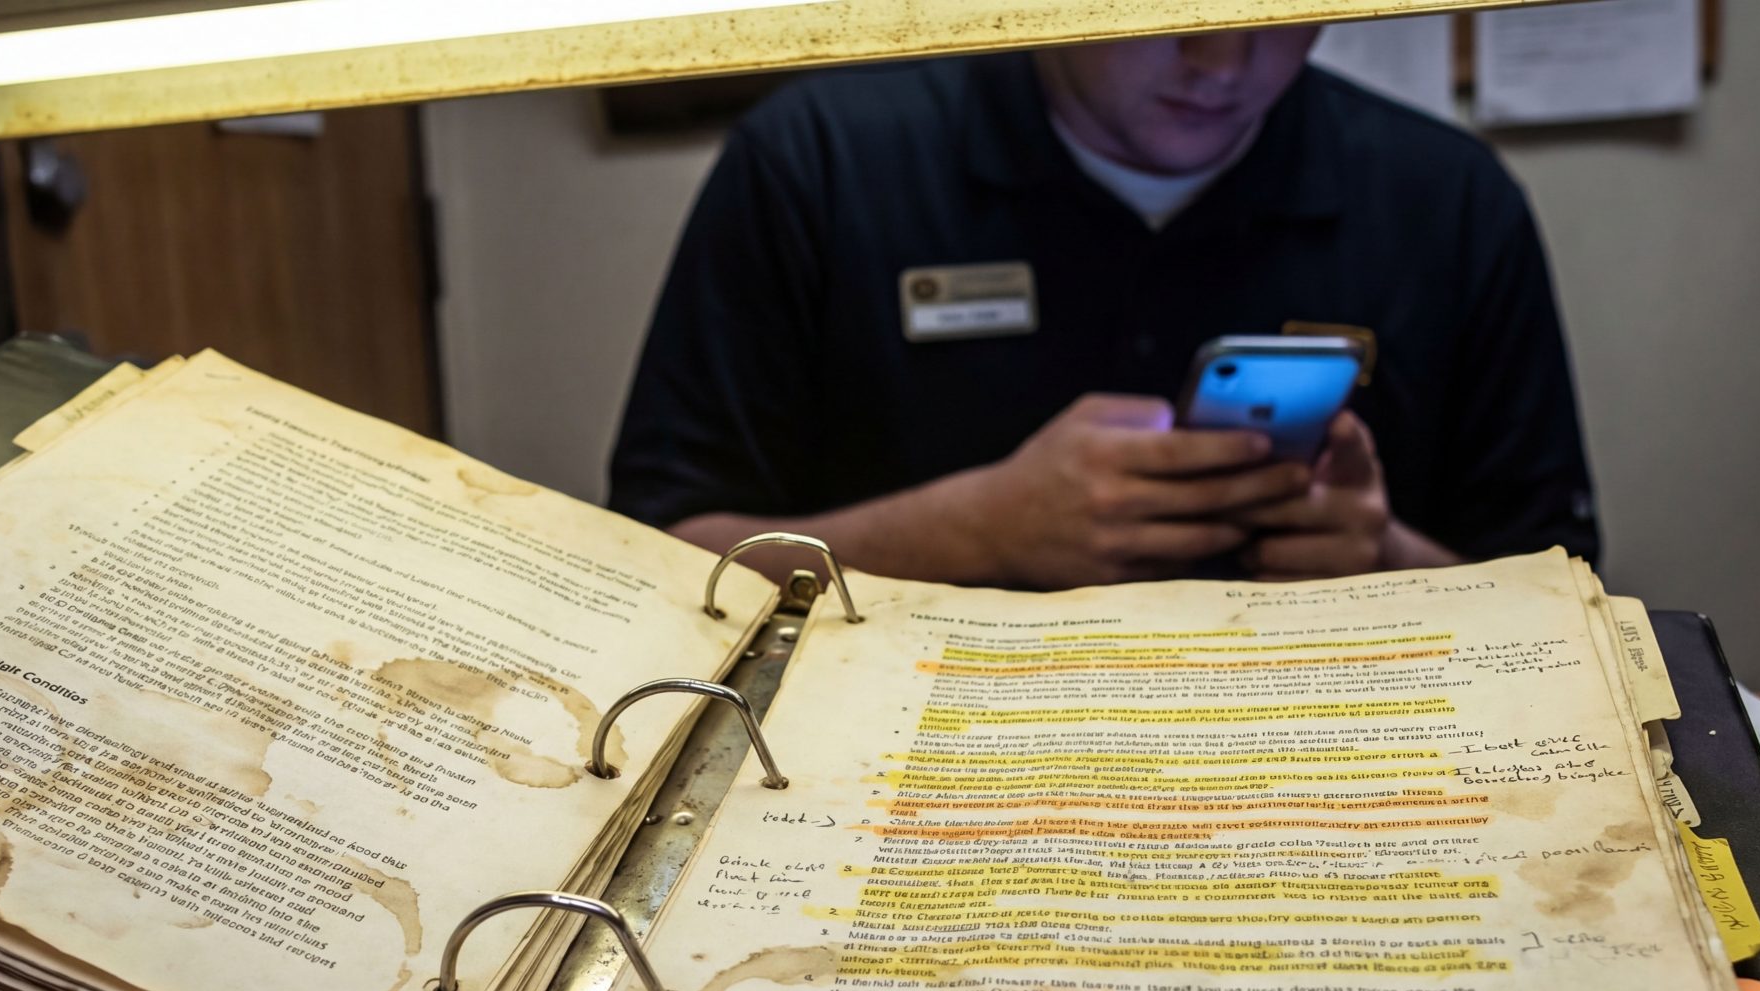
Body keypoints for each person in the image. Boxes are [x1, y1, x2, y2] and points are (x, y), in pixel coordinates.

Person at [607, 28, 1597, 587]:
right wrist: (970, 535)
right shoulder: (813, 163)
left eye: (1284, 6)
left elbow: (1560, 595)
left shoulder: (1449, 199)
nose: (1223, 61)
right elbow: (658, 562)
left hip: (1327, 769)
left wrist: (1382, 554)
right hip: (919, 763)